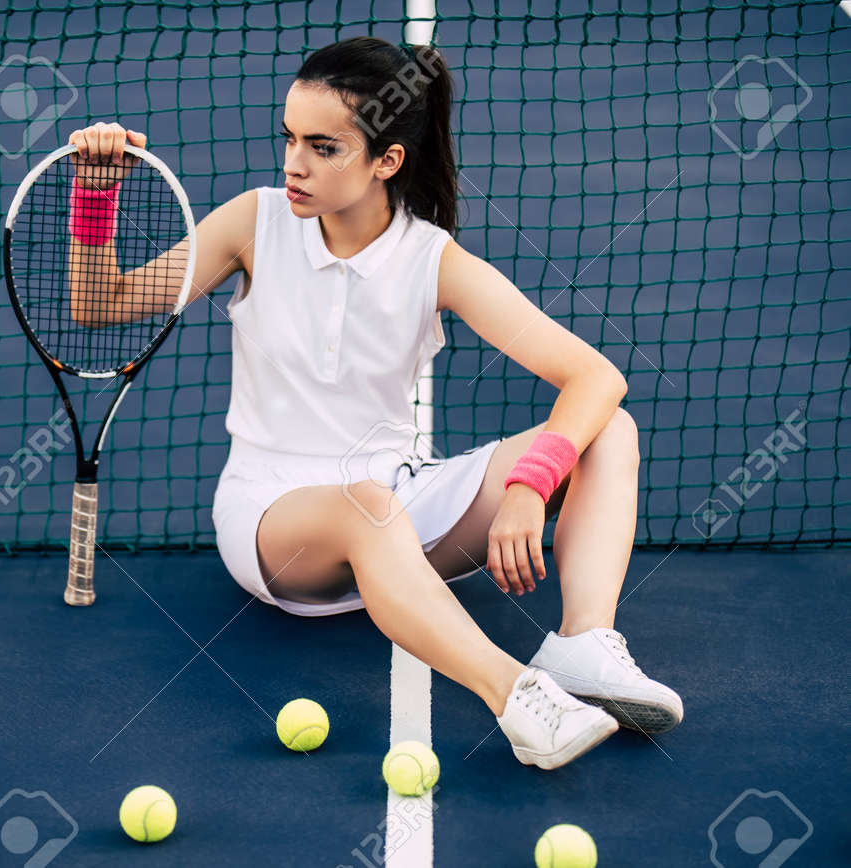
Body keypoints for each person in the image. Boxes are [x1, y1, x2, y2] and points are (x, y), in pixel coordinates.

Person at [64, 35, 682, 770]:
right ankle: (516, 696)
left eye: (323, 147)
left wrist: (530, 484)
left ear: (387, 161)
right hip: (273, 516)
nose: (294, 163)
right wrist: (97, 191)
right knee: (366, 505)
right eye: (289, 138)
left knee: (608, 431)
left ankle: (581, 643)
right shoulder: (254, 225)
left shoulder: (432, 260)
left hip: (397, 497)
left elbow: (595, 378)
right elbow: (100, 304)